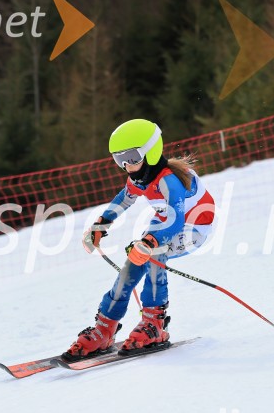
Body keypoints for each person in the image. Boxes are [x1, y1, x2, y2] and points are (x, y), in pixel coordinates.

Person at [63, 119, 215, 361]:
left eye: (132, 157)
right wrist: (101, 224)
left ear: (150, 152)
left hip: (195, 228)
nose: (127, 165)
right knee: (134, 262)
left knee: (154, 253)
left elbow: (176, 222)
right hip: (164, 223)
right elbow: (125, 198)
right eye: (119, 159)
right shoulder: (139, 177)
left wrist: (151, 242)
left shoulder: (169, 181)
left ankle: (154, 324)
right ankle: (105, 327)